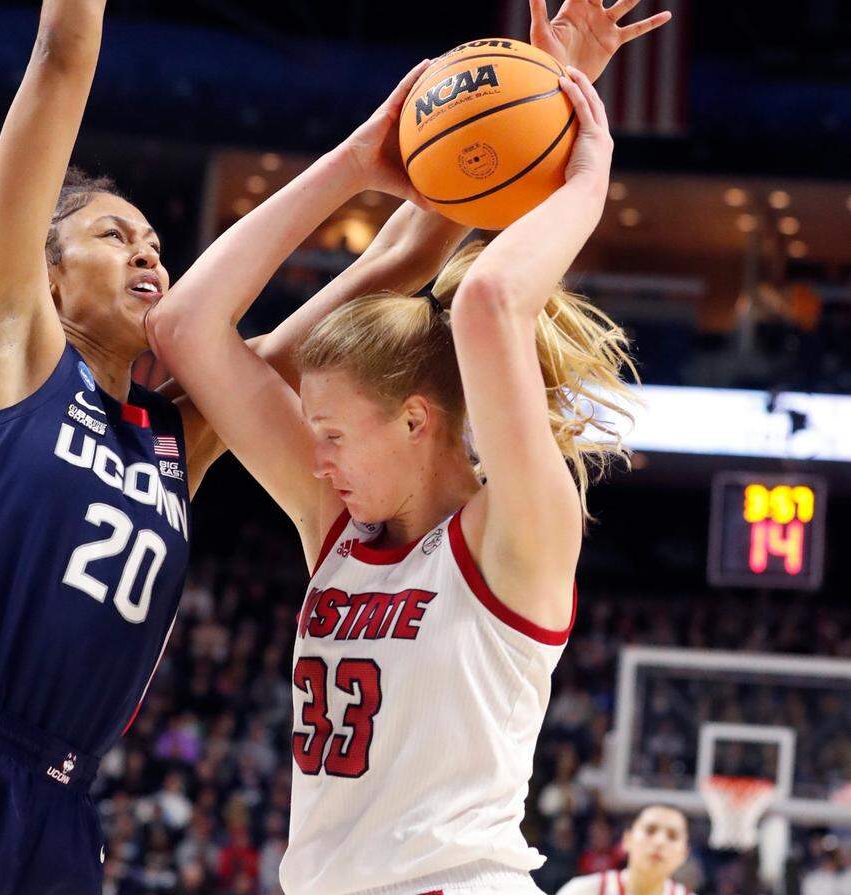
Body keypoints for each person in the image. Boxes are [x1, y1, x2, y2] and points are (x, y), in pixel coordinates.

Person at [0, 3, 470, 894]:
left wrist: (512, 120)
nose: (148, 257)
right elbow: (62, 54)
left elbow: (386, 269)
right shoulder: (12, 349)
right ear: (47, 272)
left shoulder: (180, 435)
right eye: (113, 236)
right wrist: (356, 158)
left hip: (61, 816)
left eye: (156, 246)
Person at [147, 51, 641, 895]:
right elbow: (186, 326)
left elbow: (489, 300)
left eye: (333, 433)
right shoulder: (337, 525)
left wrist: (583, 173)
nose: (317, 455)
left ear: (417, 419)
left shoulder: (516, 533)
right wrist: (355, 163)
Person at [557, 806, 694, 895]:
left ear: (684, 854)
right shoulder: (581, 891)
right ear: (627, 840)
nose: (660, 842)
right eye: (650, 830)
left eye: (672, 836)